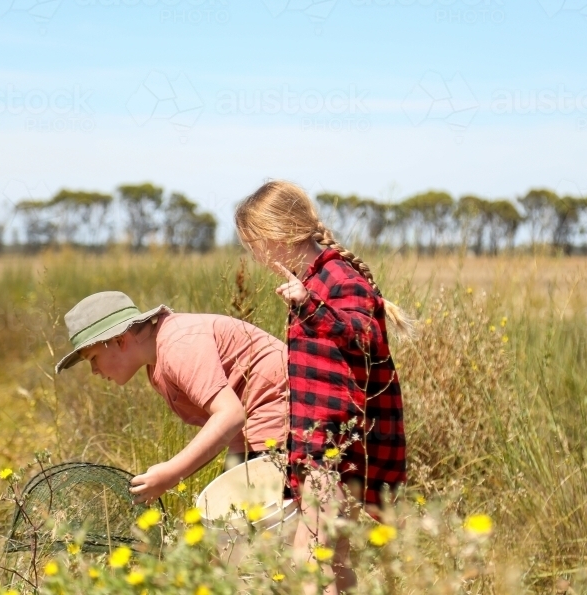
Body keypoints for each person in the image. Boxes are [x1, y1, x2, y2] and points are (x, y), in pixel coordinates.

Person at [234, 179, 411, 594]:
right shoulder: (313, 280)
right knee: (332, 558)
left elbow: (364, 335)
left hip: (334, 449)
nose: (255, 254)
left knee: (308, 558)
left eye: (255, 242)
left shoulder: (336, 278)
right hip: (321, 447)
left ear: (279, 233)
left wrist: (309, 303)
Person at [54, 290, 288, 503]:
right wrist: (169, 476)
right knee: (234, 525)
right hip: (253, 429)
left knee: (255, 529)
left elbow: (230, 415)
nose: (94, 371)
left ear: (119, 340)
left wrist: (171, 472)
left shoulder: (177, 344)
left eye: (93, 358)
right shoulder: (155, 365)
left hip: (284, 412)